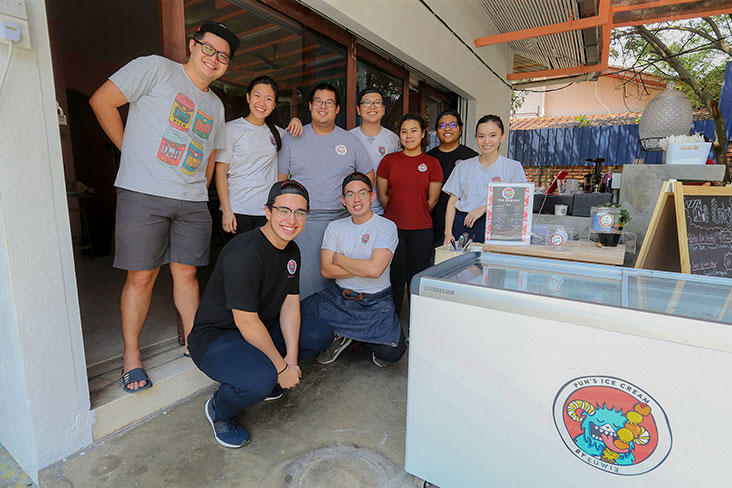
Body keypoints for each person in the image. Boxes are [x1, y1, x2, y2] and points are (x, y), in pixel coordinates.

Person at [89, 21, 239, 392]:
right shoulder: (156, 68)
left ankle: (194, 342)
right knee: (142, 276)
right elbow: (101, 101)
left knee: (187, 274)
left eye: (223, 56)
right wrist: (131, 151)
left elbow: (210, 154)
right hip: (143, 193)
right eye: (209, 49)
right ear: (192, 45)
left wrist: (199, 190)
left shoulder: (216, 104)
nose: (214, 59)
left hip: (190, 200)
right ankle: (131, 356)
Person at [187, 180, 333, 448]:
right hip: (216, 338)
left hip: (258, 328)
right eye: (284, 210)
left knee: (319, 333)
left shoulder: (291, 250)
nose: (292, 219)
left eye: (300, 212)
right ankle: (219, 410)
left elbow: (290, 303)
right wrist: (280, 368)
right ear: (268, 212)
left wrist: (289, 359)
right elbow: (245, 321)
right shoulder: (244, 253)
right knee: (260, 378)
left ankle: (265, 374)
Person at [300, 173, 406, 367]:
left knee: (390, 352)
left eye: (362, 193)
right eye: (350, 195)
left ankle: (352, 335)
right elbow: (326, 270)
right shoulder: (335, 227)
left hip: (375, 301)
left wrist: (340, 259)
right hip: (339, 298)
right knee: (298, 313)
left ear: (371, 196)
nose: (356, 199)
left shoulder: (386, 226)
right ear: (343, 200)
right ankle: (342, 337)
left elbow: (374, 271)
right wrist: (365, 266)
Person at [278, 82, 373, 298]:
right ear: (310, 106)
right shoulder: (292, 138)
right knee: (303, 281)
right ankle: (302, 325)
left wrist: (355, 206)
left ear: (337, 109)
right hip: (302, 221)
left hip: (341, 221)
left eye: (329, 102)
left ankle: (336, 326)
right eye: (318, 101)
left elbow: (368, 177)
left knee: (339, 280)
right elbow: (281, 182)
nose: (323, 106)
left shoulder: (350, 140)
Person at [215, 76, 303, 238]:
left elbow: (299, 144)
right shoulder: (231, 129)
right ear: (248, 97)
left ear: (274, 105)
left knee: (264, 261)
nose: (262, 103)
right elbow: (220, 172)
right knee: (239, 261)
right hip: (237, 211)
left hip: (267, 213)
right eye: (257, 96)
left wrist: (296, 121)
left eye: (268, 98)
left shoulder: (279, 134)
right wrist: (227, 210)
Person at [377, 114, 443, 316]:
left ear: (423, 134)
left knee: (416, 279)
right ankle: (393, 324)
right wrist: (399, 211)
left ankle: (416, 325)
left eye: (414, 130)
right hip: (393, 230)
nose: (408, 135)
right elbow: (382, 195)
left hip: (422, 230)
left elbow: (432, 200)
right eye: (404, 131)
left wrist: (415, 212)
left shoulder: (432, 163)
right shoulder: (389, 161)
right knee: (395, 278)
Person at [443, 114, 527, 244]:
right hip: (462, 225)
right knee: (460, 264)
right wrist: (448, 233)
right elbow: (452, 201)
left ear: (502, 136)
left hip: (497, 225)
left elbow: (518, 204)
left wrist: (484, 208)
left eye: (492, 135)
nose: (486, 141)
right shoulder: (463, 166)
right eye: (481, 136)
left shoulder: (513, 167)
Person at [427, 110, 479, 246]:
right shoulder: (429, 158)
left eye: (452, 125)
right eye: (442, 126)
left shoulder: (472, 157)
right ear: (437, 130)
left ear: (460, 129)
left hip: (461, 220)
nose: (447, 129)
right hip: (433, 219)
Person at [349, 87, 400, 215]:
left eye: (377, 103)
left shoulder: (393, 139)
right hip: (354, 210)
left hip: (384, 210)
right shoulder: (348, 138)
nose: (372, 107)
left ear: (383, 109)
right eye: (366, 103)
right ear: (358, 110)